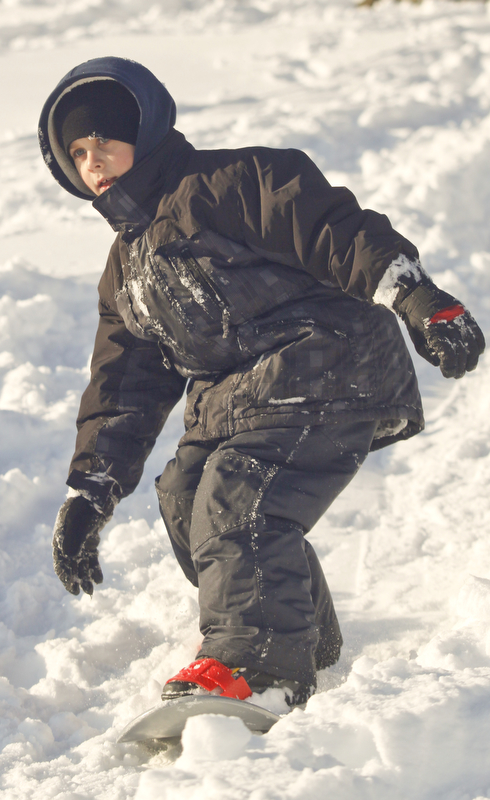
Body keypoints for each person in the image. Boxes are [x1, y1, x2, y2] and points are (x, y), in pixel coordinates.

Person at [38, 57, 485, 708]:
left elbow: (335, 231)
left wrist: (417, 297)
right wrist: (91, 491)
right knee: (185, 500)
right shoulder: (124, 272)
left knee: (237, 500)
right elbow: (123, 385)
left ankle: (259, 664)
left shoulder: (230, 183)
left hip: (327, 363)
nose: (93, 160)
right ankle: (305, 639)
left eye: (104, 138)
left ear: (145, 128)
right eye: (77, 152)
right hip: (239, 399)